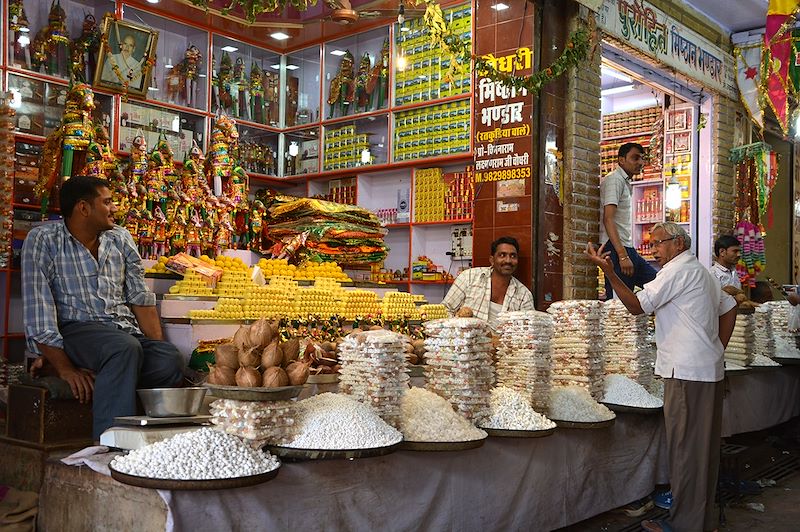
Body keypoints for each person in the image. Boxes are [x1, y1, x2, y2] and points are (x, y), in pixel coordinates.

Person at [585, 222, 737, 532]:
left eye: (658, 243)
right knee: (702, 452)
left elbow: (637, 306)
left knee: (685, 453)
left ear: (678, 244)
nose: (652, 250)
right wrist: (715, 349)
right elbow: (730, 308)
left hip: (686, 374)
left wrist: (610, 272)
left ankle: (685, 526)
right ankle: (700, 522)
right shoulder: (701, 272)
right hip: (705, 371)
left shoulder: (676, 271)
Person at [22, 175, 183, 439]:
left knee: (169, 361)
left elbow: (140, 298)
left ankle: (103, 372)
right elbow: (39, 312)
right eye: (107, 202)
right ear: (83, 208)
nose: (114, 208)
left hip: (120, 334)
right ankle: (111, 443)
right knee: (122, 349)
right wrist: (66, 368)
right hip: (77, 331)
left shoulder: (120, 238)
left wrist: (158, 347)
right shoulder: (44, 240)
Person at [599, 142, 657, 298]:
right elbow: (608, 219)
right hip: (616, 248)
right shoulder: (615, 180)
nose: (640, 163)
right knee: (619, 304)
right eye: (635, 158)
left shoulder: (624, 182)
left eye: (642, 159)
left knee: (658, 284)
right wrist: (622, 255)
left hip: (626, 247)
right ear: (621, 160)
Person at [442, 236, 534, 327]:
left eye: (513, 256)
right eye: (502, 255)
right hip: (466, 339)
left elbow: (528, 329)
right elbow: (445, 310)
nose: (508, 260)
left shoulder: (524, 295)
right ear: (492, 260)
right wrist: (460, 329)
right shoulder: (469, 278)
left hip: (503, 341)